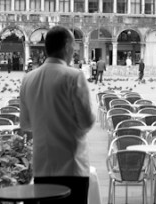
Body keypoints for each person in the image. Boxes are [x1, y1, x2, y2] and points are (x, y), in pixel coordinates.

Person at [19, 26, 95, 204]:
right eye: (74, 46)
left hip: (42, 168)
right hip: (72, 168)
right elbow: (85, 122)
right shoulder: (74, 76)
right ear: (67, 46)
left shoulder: (28, 79)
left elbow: (25, 124)